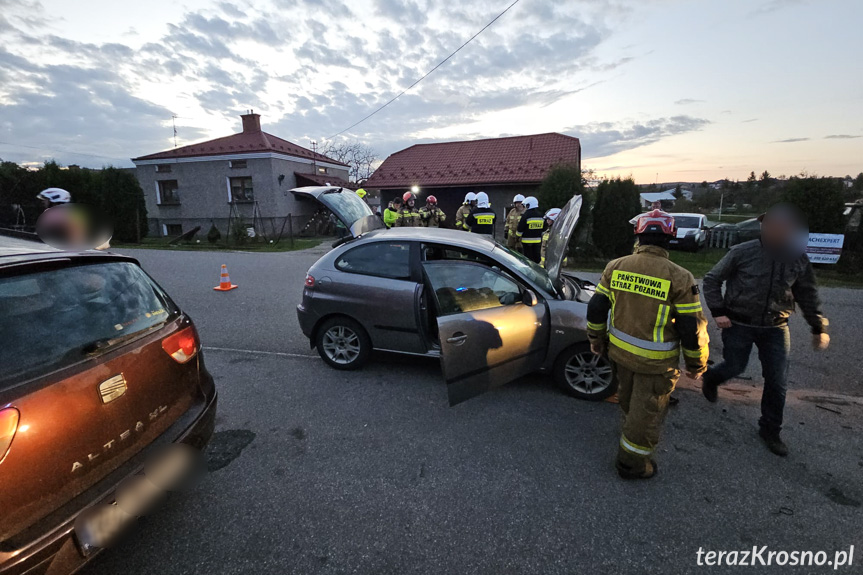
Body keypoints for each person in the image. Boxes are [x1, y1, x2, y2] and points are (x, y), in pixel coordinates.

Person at [586, 210, 709, 480]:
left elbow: (597, 307)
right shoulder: (680, 277)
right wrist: (696, 363)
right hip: (654, 364)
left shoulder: (616, 266)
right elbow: (690, 326)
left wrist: (595, 340)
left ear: (638, 235)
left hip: (619, 354)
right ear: (670, 237)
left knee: (629, 404)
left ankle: (630, 440)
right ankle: (632, 465)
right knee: (647, 413)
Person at [701, 203, 829, 457]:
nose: (773, 229)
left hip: (776, 327)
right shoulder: (742, 252)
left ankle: (770, 430)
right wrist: (718, 312)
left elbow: (807, 293)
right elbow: (712, 279)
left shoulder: (797, 258)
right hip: (738, 323)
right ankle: (712, 377)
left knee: (777, 382)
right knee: (735, 366)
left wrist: (817, 326)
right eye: (768, 224)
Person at [516, 196, 544, 263]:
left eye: (525, 205)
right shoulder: (540, 215)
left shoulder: (526, 215)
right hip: (538, 241)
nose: (524, 207)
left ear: (528, 205)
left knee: (528, 259)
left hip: (527, 242)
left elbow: (520, 228)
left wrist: (517, 237)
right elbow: (544, 228)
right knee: (537, 258)